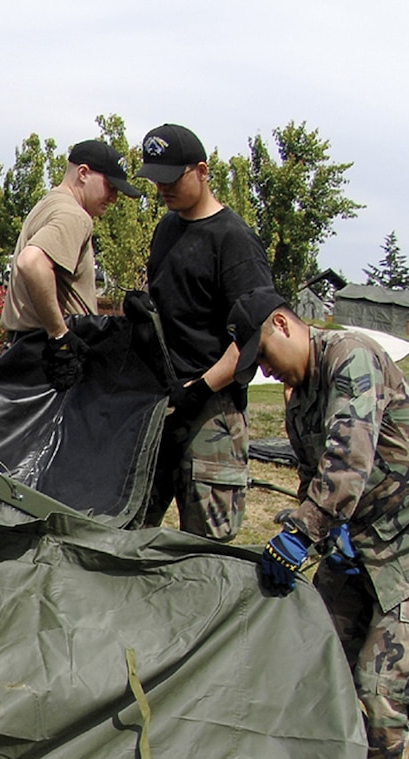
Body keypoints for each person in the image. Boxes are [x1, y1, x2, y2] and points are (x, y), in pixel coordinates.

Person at [231, 288, 409, 759]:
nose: (265, 368)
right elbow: (315, 478)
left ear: (283, 323)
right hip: (358, 549)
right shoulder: (298, 402)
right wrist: (325, 535)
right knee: (318, 669)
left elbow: (348, 461)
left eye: (263, 353)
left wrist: (303, 534)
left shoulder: (351, 356)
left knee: (380, 698)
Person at [133, 124, 274, 542]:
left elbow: (255, 333)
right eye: (156, 179)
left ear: (201, 170)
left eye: (172, 178)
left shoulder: (234, 241)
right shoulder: (166, 229)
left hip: (211, 413)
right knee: (131, 529)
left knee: (205, 545)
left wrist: (199, 388)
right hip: (160, 407)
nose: (162, 188)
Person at [0, 140, 143, 389]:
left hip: (25, 352)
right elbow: (31, 262)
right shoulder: (75, 215)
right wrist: (60, 336)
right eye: (110, 186)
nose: (114, 197)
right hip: (49, 359)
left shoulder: (49, 204)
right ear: (83, 173)